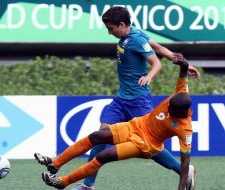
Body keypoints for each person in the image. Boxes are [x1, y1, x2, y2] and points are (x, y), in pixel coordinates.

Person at [65, 6, 199, 190]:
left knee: (149, 145)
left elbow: (156, 62)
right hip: (122, 99)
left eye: (111, 28)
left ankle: (182, 169)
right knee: (101, 136)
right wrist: (184, 62)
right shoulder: (135, 33)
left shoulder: (135, 39)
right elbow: (159, 47)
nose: (108, 32)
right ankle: (88, 186)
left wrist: (150, 76)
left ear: (122, 24)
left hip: (138, 100)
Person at [35, 56, 194, 190]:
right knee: (97, 136)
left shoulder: (184, 129)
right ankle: (56, 164)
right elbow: (183, 73)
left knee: (103, 156)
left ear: (181, 113)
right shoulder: (179, 94)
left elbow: (185, 160)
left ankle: (63, 182)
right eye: (169, 104)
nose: (167, 108)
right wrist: (184, 63)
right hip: (134, 125)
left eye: (171, 109)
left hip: (144, 144)